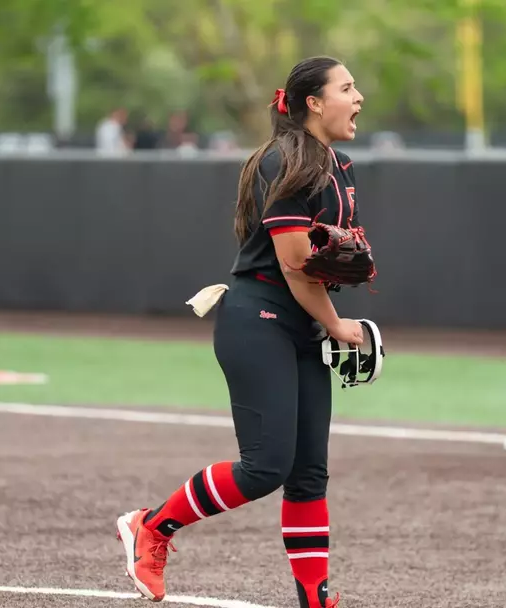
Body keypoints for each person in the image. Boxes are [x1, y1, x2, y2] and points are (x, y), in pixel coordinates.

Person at [116, 56, 368, 608]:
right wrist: (337, 324)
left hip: (301, 324)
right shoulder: (284, 162)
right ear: (314, 102)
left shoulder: (339, 164)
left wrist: (329, 312)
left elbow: (319, 262)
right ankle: (152, 525)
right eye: (347, 88)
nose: (359, 97)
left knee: (308, 475)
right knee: (265, 467)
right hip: (259, 319)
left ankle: (314, 597)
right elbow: (297, 267)